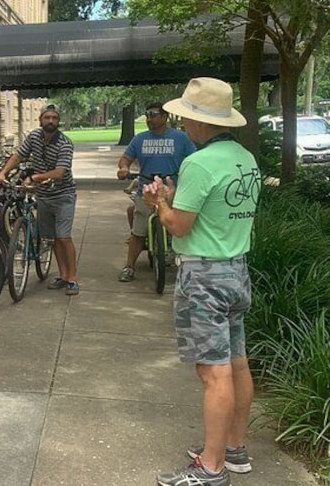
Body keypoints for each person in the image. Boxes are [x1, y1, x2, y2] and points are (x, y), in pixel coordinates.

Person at [143, 78, 259, 486]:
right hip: (236, 268)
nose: (184, 124)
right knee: (237, 362)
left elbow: (178, 225)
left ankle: (211, 468)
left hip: (204, 275)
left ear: (199, 122)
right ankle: (233, 447)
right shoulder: (244, 158)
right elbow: (213, 214)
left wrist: (159, 201)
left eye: (187, 117)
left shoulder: (199, 163)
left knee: (214, 373)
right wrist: (176, 198)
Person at [0, 104, 80, 296]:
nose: (50, 121)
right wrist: (2, 173)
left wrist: (35, 177)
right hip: (43, 196)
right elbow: (18, 156)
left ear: (58, 121)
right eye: (47, 117)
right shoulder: (33, 137)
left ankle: (73, 278)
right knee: (52, 238)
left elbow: (60, 172)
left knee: (64, 237)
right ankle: (63, 275)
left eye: (54, 118)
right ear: (41, 119)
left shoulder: (65, 143)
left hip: (63, 196)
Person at [116, 102, 195, 282]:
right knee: (138, 230)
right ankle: (129, 267)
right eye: (147, 114)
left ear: (165, 117)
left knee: (180, 227)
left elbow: (194, 160)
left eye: (153, 114)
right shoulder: (139, 139)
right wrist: (124, 168)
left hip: (173, 191)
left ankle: (185, 263)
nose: (149, 118)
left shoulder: (181, 138)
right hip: (146, 190)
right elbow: (125, 159)